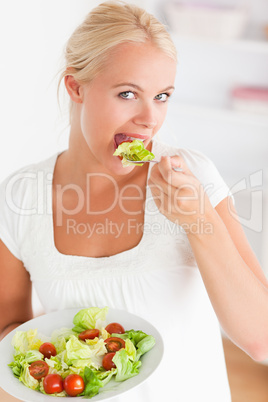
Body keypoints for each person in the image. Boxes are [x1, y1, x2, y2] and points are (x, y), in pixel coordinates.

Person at [1, 1, 268, 401]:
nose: (150, 119)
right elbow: (10, 336)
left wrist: (198, 220)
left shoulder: (192, 179)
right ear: (76, 87)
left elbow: (261, 339)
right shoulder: (20, 196)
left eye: (162, 96)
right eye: (128, 94)